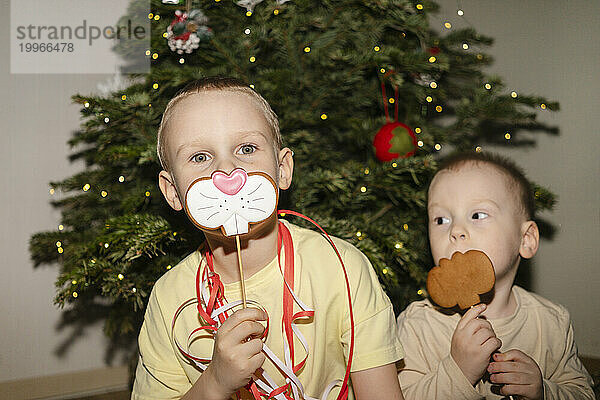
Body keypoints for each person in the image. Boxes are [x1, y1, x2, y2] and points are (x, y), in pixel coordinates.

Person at [131, 77, 405, 400]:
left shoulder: (343, 269)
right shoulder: (168, 300)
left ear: (283, 169)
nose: (228, 172)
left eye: (246, 149)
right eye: (200, 157)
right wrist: (215, 382)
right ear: (173, 192)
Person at [397, 152, 594, 399]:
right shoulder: (419, 325)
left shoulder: (552, 322)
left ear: (526, 239)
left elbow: (583, 392)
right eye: (441, 219)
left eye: (478, 215)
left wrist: (544, 391)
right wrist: (457, 373)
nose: (455, 230)